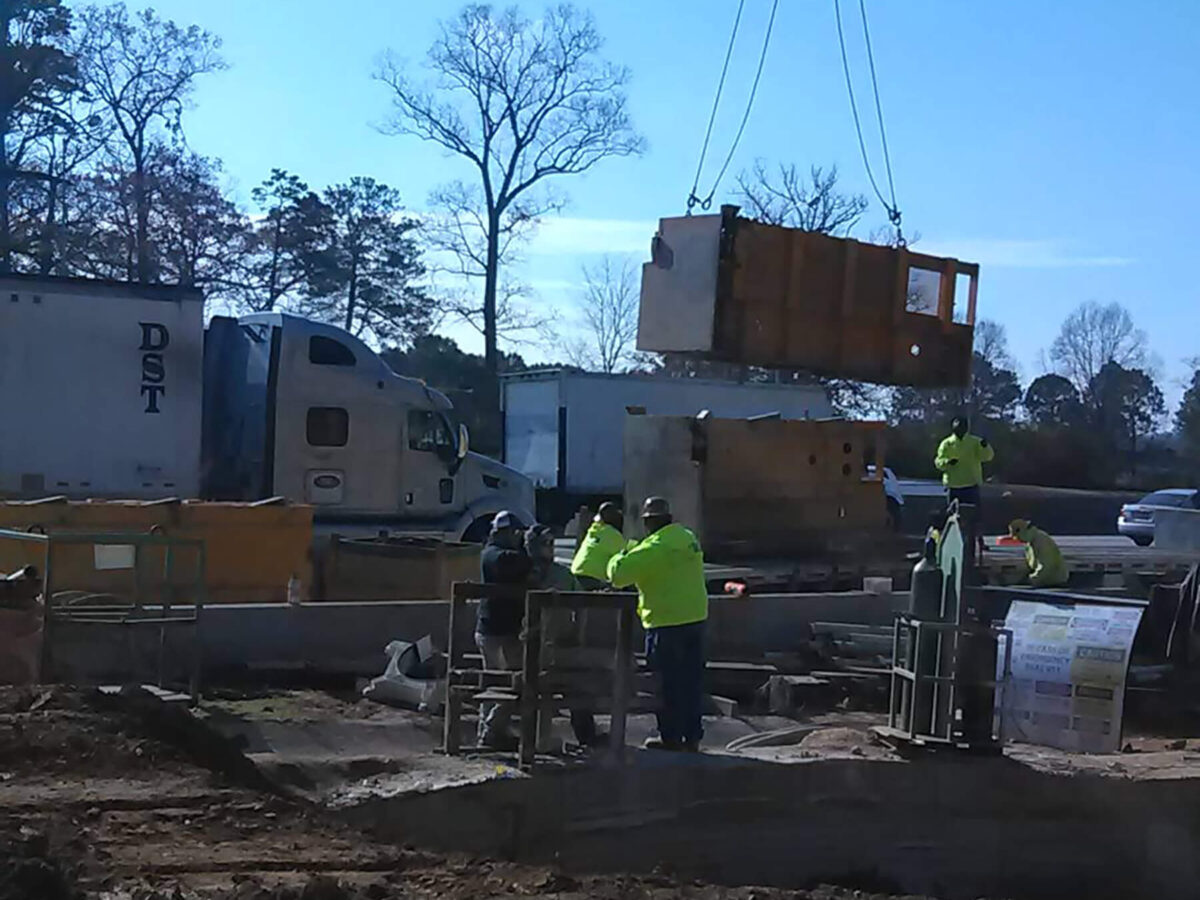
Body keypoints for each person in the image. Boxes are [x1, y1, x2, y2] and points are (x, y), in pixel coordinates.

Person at [607, 496, 708, 752]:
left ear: (648, 523)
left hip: (666, 623)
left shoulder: (653, 548)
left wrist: (622, 553)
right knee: (691, 681)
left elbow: (617, 576)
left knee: (666, 684)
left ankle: (670, 738)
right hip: (695, 619)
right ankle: (692, 737)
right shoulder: (687, 538)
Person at [525, 525, 601, 749]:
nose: (550, 548)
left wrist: (577, 635)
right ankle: (538, 739)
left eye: (551, 543)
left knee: (579, 683)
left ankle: (586, 735)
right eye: (545, 544)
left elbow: (581, 605)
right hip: (530, 646)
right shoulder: (522, 572)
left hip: (556, 645)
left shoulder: (560, 574)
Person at [475, 510, 530, 750]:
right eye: (515, 533)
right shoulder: (492, 554)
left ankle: (488, 732)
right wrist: (529, 550)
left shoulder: (501, 553)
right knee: (509, 682)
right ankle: (491, 731)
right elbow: (508, 563)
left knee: (496, 683)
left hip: (498, 630)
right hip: (496, 631)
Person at [935, 415, 993, 557]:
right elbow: (938, 462)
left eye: (962, 427)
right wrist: (947, 462)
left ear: (966, 428)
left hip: (971, 484)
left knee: (976, 516)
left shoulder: (975, 442)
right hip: (953, 486)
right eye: (957, 427)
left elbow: (988, 457)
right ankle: (948, 542)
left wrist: (985, 447)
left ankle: (980, 542)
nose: (960, 429)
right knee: (951, 516)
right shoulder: (947, 444)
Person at [570, 502, 627, 590]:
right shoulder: (613, 535)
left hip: (574, 574)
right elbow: (625, 559)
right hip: (592, 578)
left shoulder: (593, 530)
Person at [1008, 519, 1069, 588]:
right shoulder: (1031, 542)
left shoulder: (1041, 541)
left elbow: (1046, 566)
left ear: (1021, 532)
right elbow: (1033, 564)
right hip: (1045, 581)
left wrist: (1032, 580)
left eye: (1017, 537)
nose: (1018, 540)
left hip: (1055, 582)